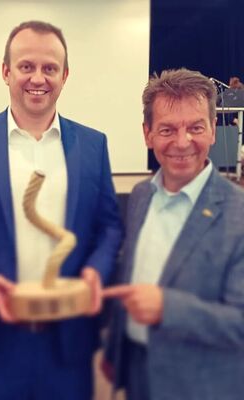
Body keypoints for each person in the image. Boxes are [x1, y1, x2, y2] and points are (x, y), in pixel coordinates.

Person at [0, 20, 123, 400]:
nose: (38, 78)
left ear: (64, 75)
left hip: (68, 344)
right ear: (6, 72)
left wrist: (95, 270)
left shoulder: (93, 145)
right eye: (26, 66)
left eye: (50, 68)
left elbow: (109, 227)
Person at [102, 68, 244, 400]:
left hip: (200, 385)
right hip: (137, 372)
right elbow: (133, 275)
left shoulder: (238, 213)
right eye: (167, 129)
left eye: (195, 127)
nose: (182, 142)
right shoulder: (141, 196)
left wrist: (168, 308)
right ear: (147, 134)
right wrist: (114, 352)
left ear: (213, 130)